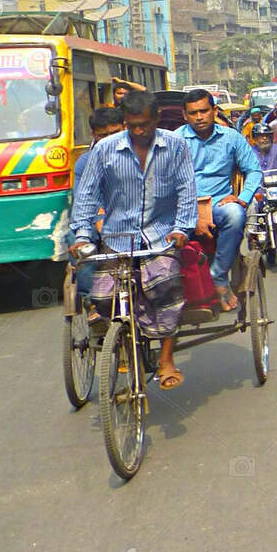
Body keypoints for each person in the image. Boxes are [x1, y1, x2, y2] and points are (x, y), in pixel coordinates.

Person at [69, 91, 197, 388]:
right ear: (125, 121)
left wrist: (181, 229)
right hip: (117, 236)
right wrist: (84, 235)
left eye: (145, 125)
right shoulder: (105, 150)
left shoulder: (175, 146)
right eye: (133, 125)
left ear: (156, 120)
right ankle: (126, 342)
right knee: (101, 299)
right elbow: (86, 195)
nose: (139, 131)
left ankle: (166, 360)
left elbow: (187, 190)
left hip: (160, 234)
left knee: (166, 287)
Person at [175, 89, 261, 313]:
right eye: (193, 113)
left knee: (235, 214)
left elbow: (253, 170)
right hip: (183, 207)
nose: (199, 117)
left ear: (214, 111)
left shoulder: (231, 138)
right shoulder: (174, 140)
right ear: (185, 115)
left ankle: (219, 275)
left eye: (204, 111)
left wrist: (242, 199)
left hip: (218, 205)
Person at [71, 105, 123, 302]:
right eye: (103, 135)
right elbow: (83, 200)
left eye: (115, 133)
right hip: (98, 218)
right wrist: (99, 219)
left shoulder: (140, 153)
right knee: (82, 246)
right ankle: (90, 301)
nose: (110, 140)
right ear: (94, 135)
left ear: (124, 128)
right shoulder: (85, 163)